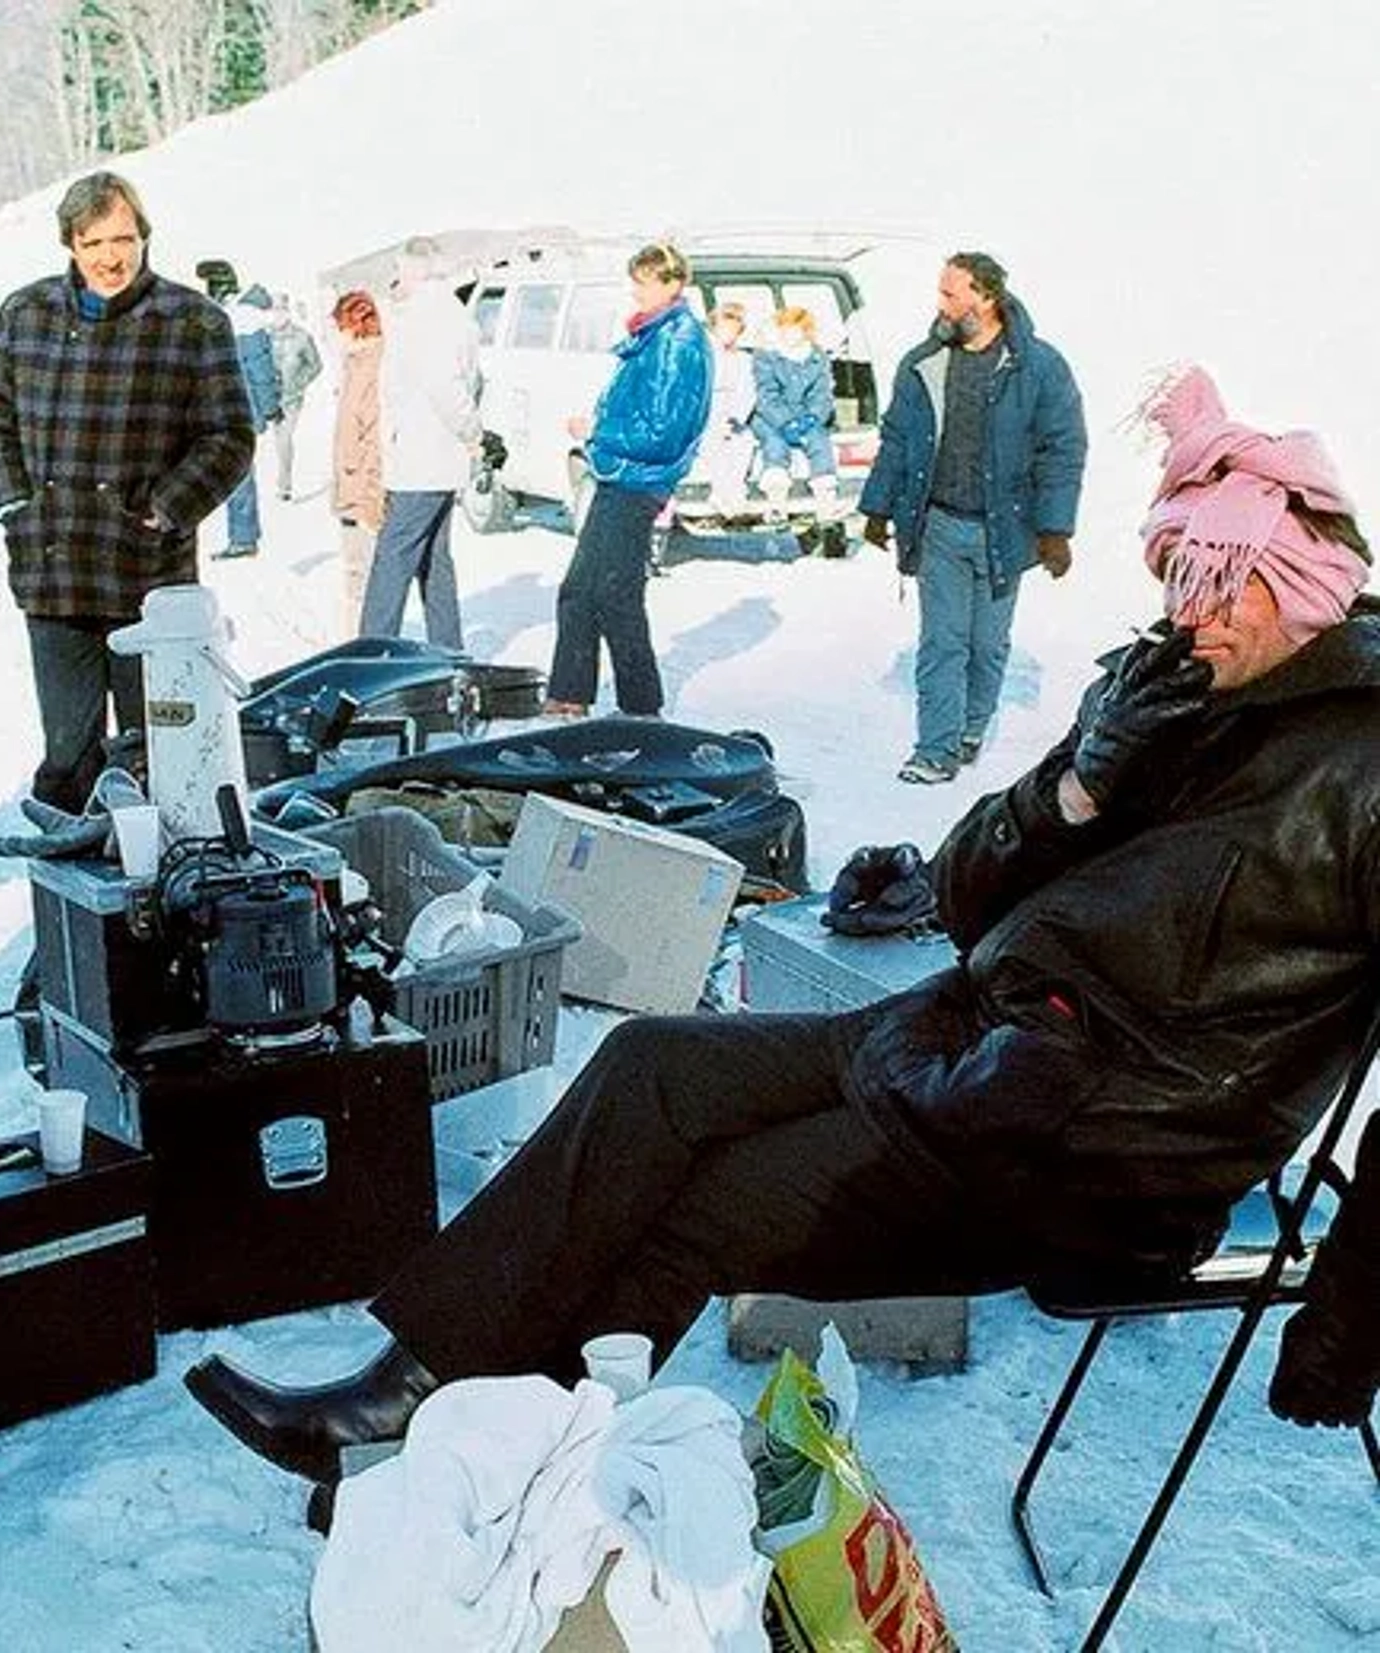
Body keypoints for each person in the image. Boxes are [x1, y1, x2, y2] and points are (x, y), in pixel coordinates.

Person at [185, 365, 1379, 1482]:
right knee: (651, 1065)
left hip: (1096, 1151)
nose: (1196, 613)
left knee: (698, 1212)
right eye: (1180, 578)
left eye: (1229, 586)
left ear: (1313, 586)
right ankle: (405, 1397)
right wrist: (1077, 790)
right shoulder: (1172, 687)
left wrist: (1355, 1314)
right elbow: (964, 897)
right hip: (973, 1041)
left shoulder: (1365, 764)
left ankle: (479, 1475)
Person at [0, 170, 253, 814]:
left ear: (144, 237)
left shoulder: (193, 322)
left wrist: (166, 508)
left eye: (123, 238)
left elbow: (230, 435)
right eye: (93, 242)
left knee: (160, 749)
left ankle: (164, 892)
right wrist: (14, 502)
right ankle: (74, 893)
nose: (110, 257)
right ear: (70, 243)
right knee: (68, 754)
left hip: (149, 579)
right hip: (54, 571)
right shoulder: (26, 313)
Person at [860, 252, 1087, 783]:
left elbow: (1063, 449)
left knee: (987, 645)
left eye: (950, 293)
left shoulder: (1039, 367)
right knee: (943, 642)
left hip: (1006, 531)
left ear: (985, 298)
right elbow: (897, 437)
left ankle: (970, 727)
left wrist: (1055, 530)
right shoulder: (925, 363)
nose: (939, 304)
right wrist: (876, 506)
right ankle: (934, 750)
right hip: (938, 523)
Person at [542, 242, 712, 719]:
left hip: (639, 477)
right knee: (586, 590)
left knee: (611, 592)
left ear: (671, 283)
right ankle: (574, 696)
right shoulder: (657, 334)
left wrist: (598, 431)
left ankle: (636, 706)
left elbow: (662, 431)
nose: (634, 291)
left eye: (643, 281)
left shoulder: (678, 340)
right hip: (622, 474)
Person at [356, 238, 481, 650]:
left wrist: (473, 431)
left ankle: (370, 652)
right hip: (431, 457)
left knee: (392, 558)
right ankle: (448, 649)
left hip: (424, 458)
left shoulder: (433, 316)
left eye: (400, 270)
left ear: (415, 270)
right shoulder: (440, 313)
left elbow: (444, 385)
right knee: (434, 561)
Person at [329, 290, 387, 637]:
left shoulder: (373, 369)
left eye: (340, 328)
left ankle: (362, 643)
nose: (336, 336)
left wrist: (369, 501)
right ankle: (357, 638)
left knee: (361, 576)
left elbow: (374, 441)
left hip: (364, 492)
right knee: (354, 574)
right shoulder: (355, 364)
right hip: (351, 487)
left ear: (355, 328)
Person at [750, 305, 841, 521]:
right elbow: (765, 395)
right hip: (770, 415)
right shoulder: (766, 356)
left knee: (819, 440)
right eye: (786, 329)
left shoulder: (817, 357)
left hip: (804, 414)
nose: (791, 334)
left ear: (805, 331)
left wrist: (813, 418)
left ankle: (825, 499)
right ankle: (776, 500)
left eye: (796, 329)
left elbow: (822, 394)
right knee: (774, 442)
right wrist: (786, 422)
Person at [218, 284, 284, 560]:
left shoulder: (224, 316)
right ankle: (243, 538)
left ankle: (243, 538)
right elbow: (262, 373)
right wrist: (270, 408)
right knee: (239, 475)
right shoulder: (250, 324)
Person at [701, 301, 756, 513]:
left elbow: (747, 393)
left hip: (733, 415)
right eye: (724, 328)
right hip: (706, 414)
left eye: (734, 330)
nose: (729, 334)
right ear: (714, 327)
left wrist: (734, 418)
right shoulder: (702, 356)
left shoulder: (744, 359)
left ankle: (734, 493)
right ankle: (721, 493)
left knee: (744, 441)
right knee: (713, 441)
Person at [270, 292, 324, 500]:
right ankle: (282, 478)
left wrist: (300, 383)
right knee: (279, 441)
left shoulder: (302, 337)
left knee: (284, 439)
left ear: (288, 311)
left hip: (292, 399)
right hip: (271, 398)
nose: (278, 314)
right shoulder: (263, 336)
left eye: (282, 309)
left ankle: (285, 485)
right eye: (275, 309)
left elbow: (316, 365)